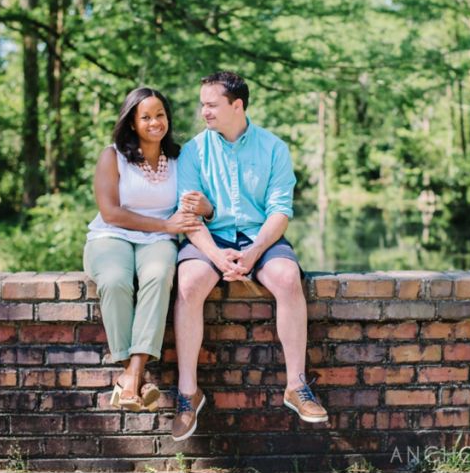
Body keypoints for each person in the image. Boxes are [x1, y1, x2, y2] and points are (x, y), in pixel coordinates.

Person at [172, 71, 328, 441]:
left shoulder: (274, 149)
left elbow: (280, 212)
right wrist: (217, 256)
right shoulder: (192, 151)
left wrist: (255, 251)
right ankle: (187, 393)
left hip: (262, 238)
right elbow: (190, 217)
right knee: (190, 283)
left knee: (289, 279)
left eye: (211, 104)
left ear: (236, 105)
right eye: (202, 104)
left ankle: (296, 385)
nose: (203, 111)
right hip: (211, 238)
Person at [83, 87, 213, 412]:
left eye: (160, 115)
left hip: (157, 243)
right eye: (146, 116)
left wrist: (203, 209)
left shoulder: (180, 159)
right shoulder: (112, 156)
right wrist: (167, 225)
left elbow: (198, 202)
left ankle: (131, 376)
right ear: (131, 122)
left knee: (157, 277)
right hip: (111, 235)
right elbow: (111, 212)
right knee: (114, 281)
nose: (155, 122)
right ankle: (136, 375)